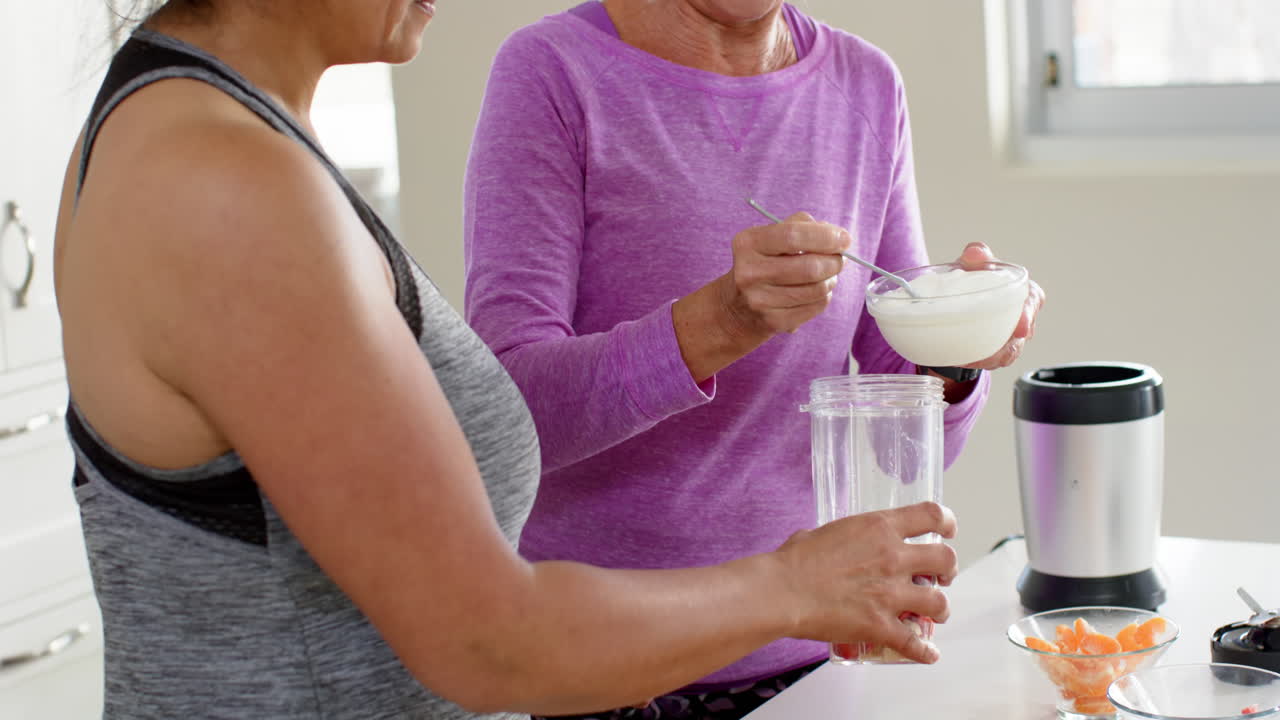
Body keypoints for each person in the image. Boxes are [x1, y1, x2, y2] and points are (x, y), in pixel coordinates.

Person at [55, 1, 959, 718]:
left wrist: (957, 344)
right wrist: (793, 584)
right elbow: (485, 642)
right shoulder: (217, 178)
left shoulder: (232, 133)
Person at [464, 2, 1045, 717]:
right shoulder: (552, 70)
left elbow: (906, 435)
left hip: (815, 657)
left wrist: (956, 350)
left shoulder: (865, 83)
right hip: (610, 666)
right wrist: (714, 326)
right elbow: (503, 417)